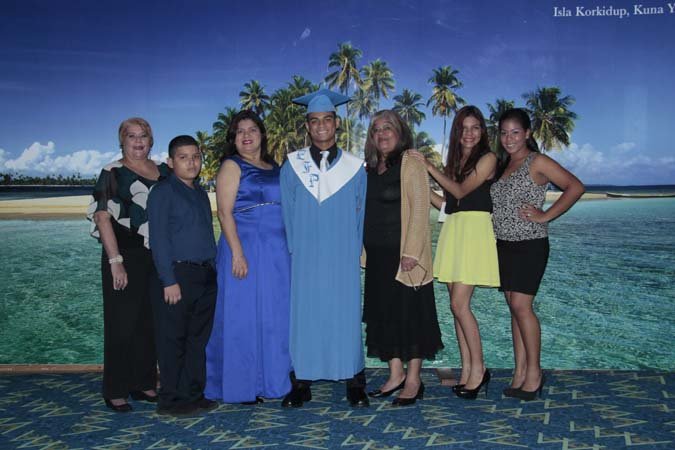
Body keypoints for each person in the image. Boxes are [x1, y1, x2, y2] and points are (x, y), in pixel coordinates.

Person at [280, 89, 368, 407]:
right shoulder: (293, 166)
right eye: (314, 121)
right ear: (307, 126)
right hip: (305, 255)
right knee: (305, 316)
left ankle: (354, 381)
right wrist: (294, 251)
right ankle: (301, 382)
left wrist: (355, 251)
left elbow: (360, 214)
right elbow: (287, 213)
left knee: (345, 315)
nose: (321, 126)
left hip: (342, 254)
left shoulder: (355, 168)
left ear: (336, 123)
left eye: (327, 120)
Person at [491, 108, 584, 400]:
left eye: (515, 132)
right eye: (504, 133)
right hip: (504, 244)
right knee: (514, 308)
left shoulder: (537, 161)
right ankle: (519, 372)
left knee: (522, 307)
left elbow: (575, 187)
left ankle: (534, 373)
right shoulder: (504, 164)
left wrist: (545, 216)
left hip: (530, 244)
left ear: (527, 134)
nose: (509, 138)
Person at [409, 105, 500, 399]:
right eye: (464, 128)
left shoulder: (488, 158)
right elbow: (449, 205)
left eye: (475, 127)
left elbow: (460, 192)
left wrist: (428, 166)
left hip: (474, 232)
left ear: (482, 131)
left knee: (460, 305)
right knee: (455, 306)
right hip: (454, 229)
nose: (470, 133)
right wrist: (419, 187)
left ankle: (480, 369)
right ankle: (467, 369)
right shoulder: (456, 162)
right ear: (457, 132)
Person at [205, 110, 291, 404]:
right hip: (244, 247)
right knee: (241, 316)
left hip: (276, 251)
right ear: (233, 138)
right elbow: (224, 212)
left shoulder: (274, 166)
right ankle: (241, 385)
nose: (246, 135)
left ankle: (271, 381)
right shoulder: (232, 165)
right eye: (240, 131)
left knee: (273, 316)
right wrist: (237, 253)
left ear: (262, 134)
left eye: (252, 129)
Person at [362, 110, 443, 406]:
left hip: (404, 256)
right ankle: (395, 374)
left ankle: (413, 380)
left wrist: (411, 252)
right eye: (376, 129)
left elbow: (421, 208)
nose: (381, 133)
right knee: (384, 316)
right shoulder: (370, 168)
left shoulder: (411, 162)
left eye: (388, 127)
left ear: (400, 132)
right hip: (377, 256)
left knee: (411, 317)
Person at [88, 117, 168, 412]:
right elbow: (102, 216)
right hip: (123, 253)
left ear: (151, 140)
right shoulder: (112, 172)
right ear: (122, 141)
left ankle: (143, 383)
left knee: (149, 322)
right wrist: (115, 261)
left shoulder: (163, 171)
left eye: (143, 135)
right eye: (131, 136)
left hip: (156, 256)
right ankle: (115, 389)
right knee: (121, 324)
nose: (138, 141)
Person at [147, 135, 218, 416]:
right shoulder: (163, 192)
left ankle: (193, 394)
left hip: (205, 274)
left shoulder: (200, 192)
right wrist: (169, 280)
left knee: (197, 340)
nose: (191, 162)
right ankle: (170, 400)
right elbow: (159, 239)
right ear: (170, 162)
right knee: (172, 341)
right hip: (177, 275)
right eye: (183, 157)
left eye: (196, 157)